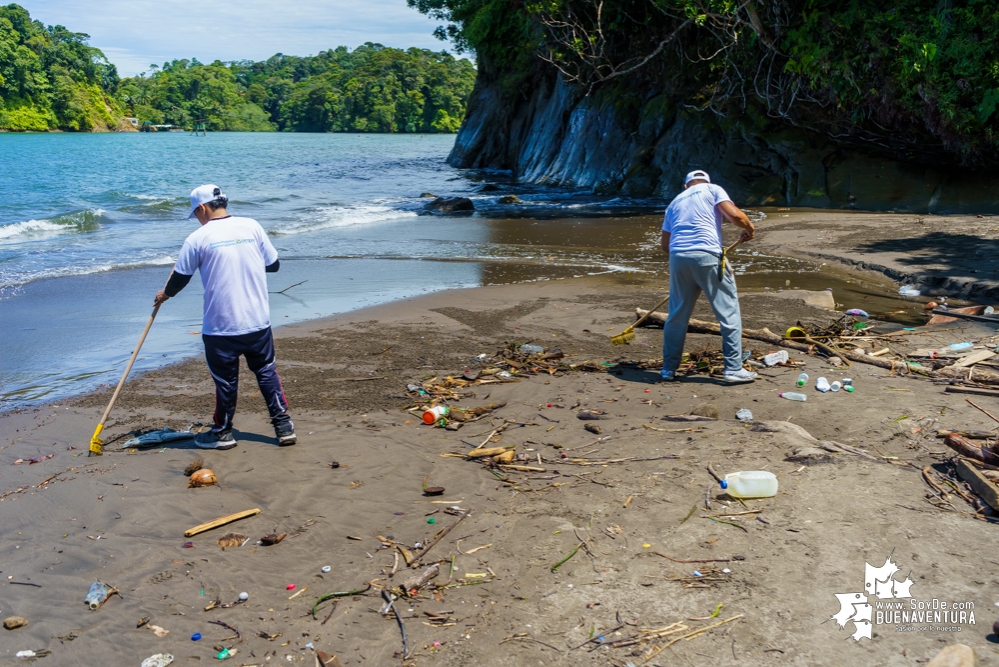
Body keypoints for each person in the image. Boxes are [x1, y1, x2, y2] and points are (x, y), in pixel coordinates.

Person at [154, 184, 296, 449]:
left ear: (202, 208)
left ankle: (222, 433)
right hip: (257, 322)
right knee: (266, 372)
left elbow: (179, 279)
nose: (197, 218)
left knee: (226, 382)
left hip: (220, 328)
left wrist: (164, 294)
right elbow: (273, 265)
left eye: (195, 213)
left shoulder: (197, 238)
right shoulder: (252, 226)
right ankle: (284, 427)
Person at [660, 170, 757, 384]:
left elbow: (665, 245)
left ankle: (668, 369)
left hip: (678, 258)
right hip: (707, 255)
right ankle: (733, 368)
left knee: (676, 316)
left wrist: (687, 263)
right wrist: (749, 228)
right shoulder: (712, 189)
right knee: (728, 312)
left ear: (686, 186)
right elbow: (735, 216)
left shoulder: (674, 202)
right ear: (706, 181)